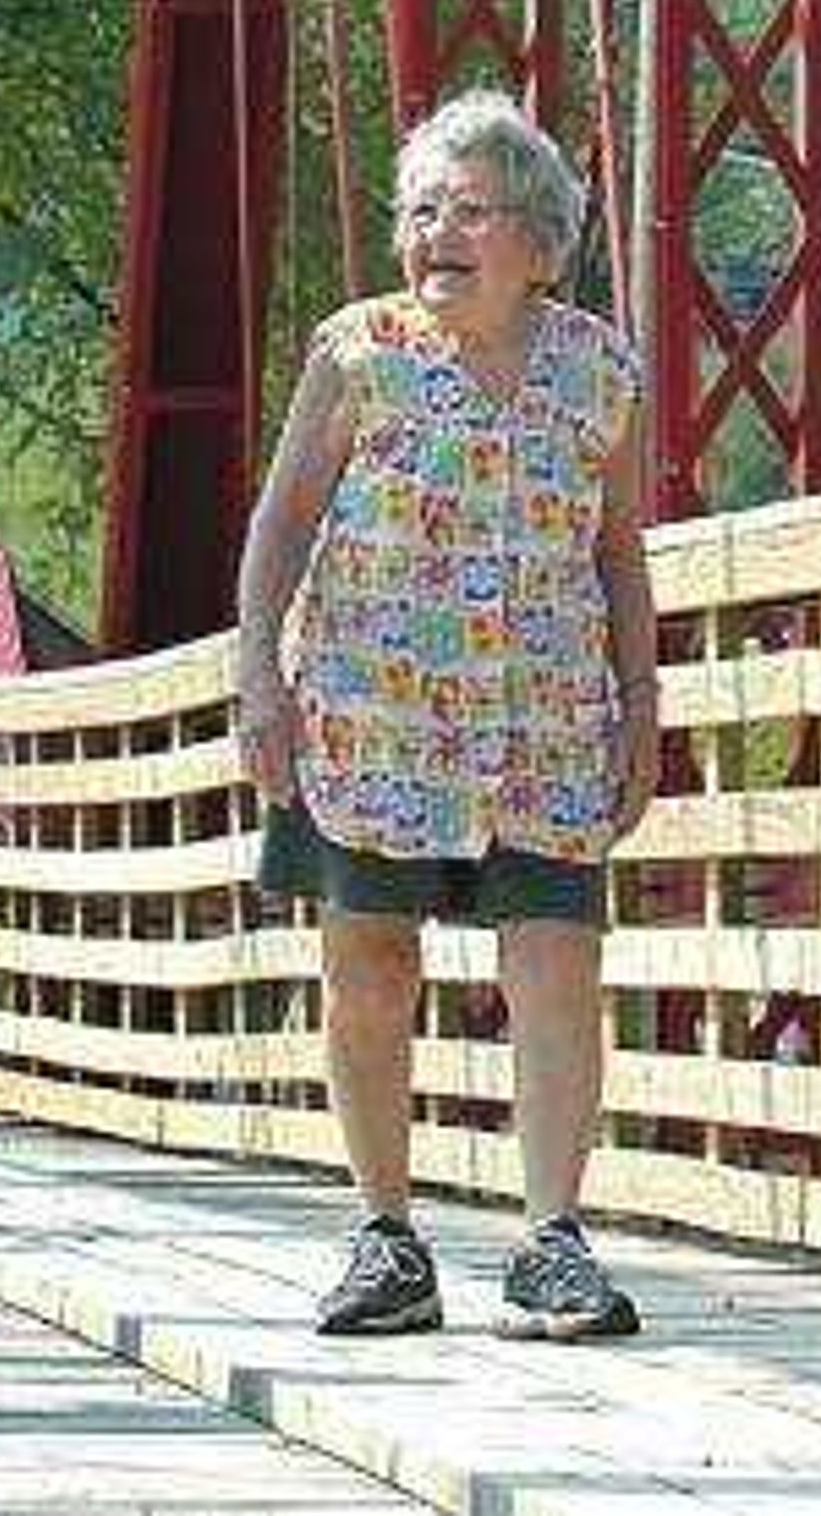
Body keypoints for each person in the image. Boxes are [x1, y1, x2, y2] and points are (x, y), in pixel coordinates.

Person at [232, 89, 661, 1341]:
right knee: (368, 957)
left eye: (468, 210)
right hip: (377, 711)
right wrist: (259, 672)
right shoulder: (355, 352)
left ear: (536, 238)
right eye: (421, 210)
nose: (435, 234)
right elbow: (282, 522)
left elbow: (621, 552)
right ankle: (385, 1239)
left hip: (548, 715)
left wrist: (643, 700)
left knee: (557, 964)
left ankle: (553, 1244)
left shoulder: (597, 369)